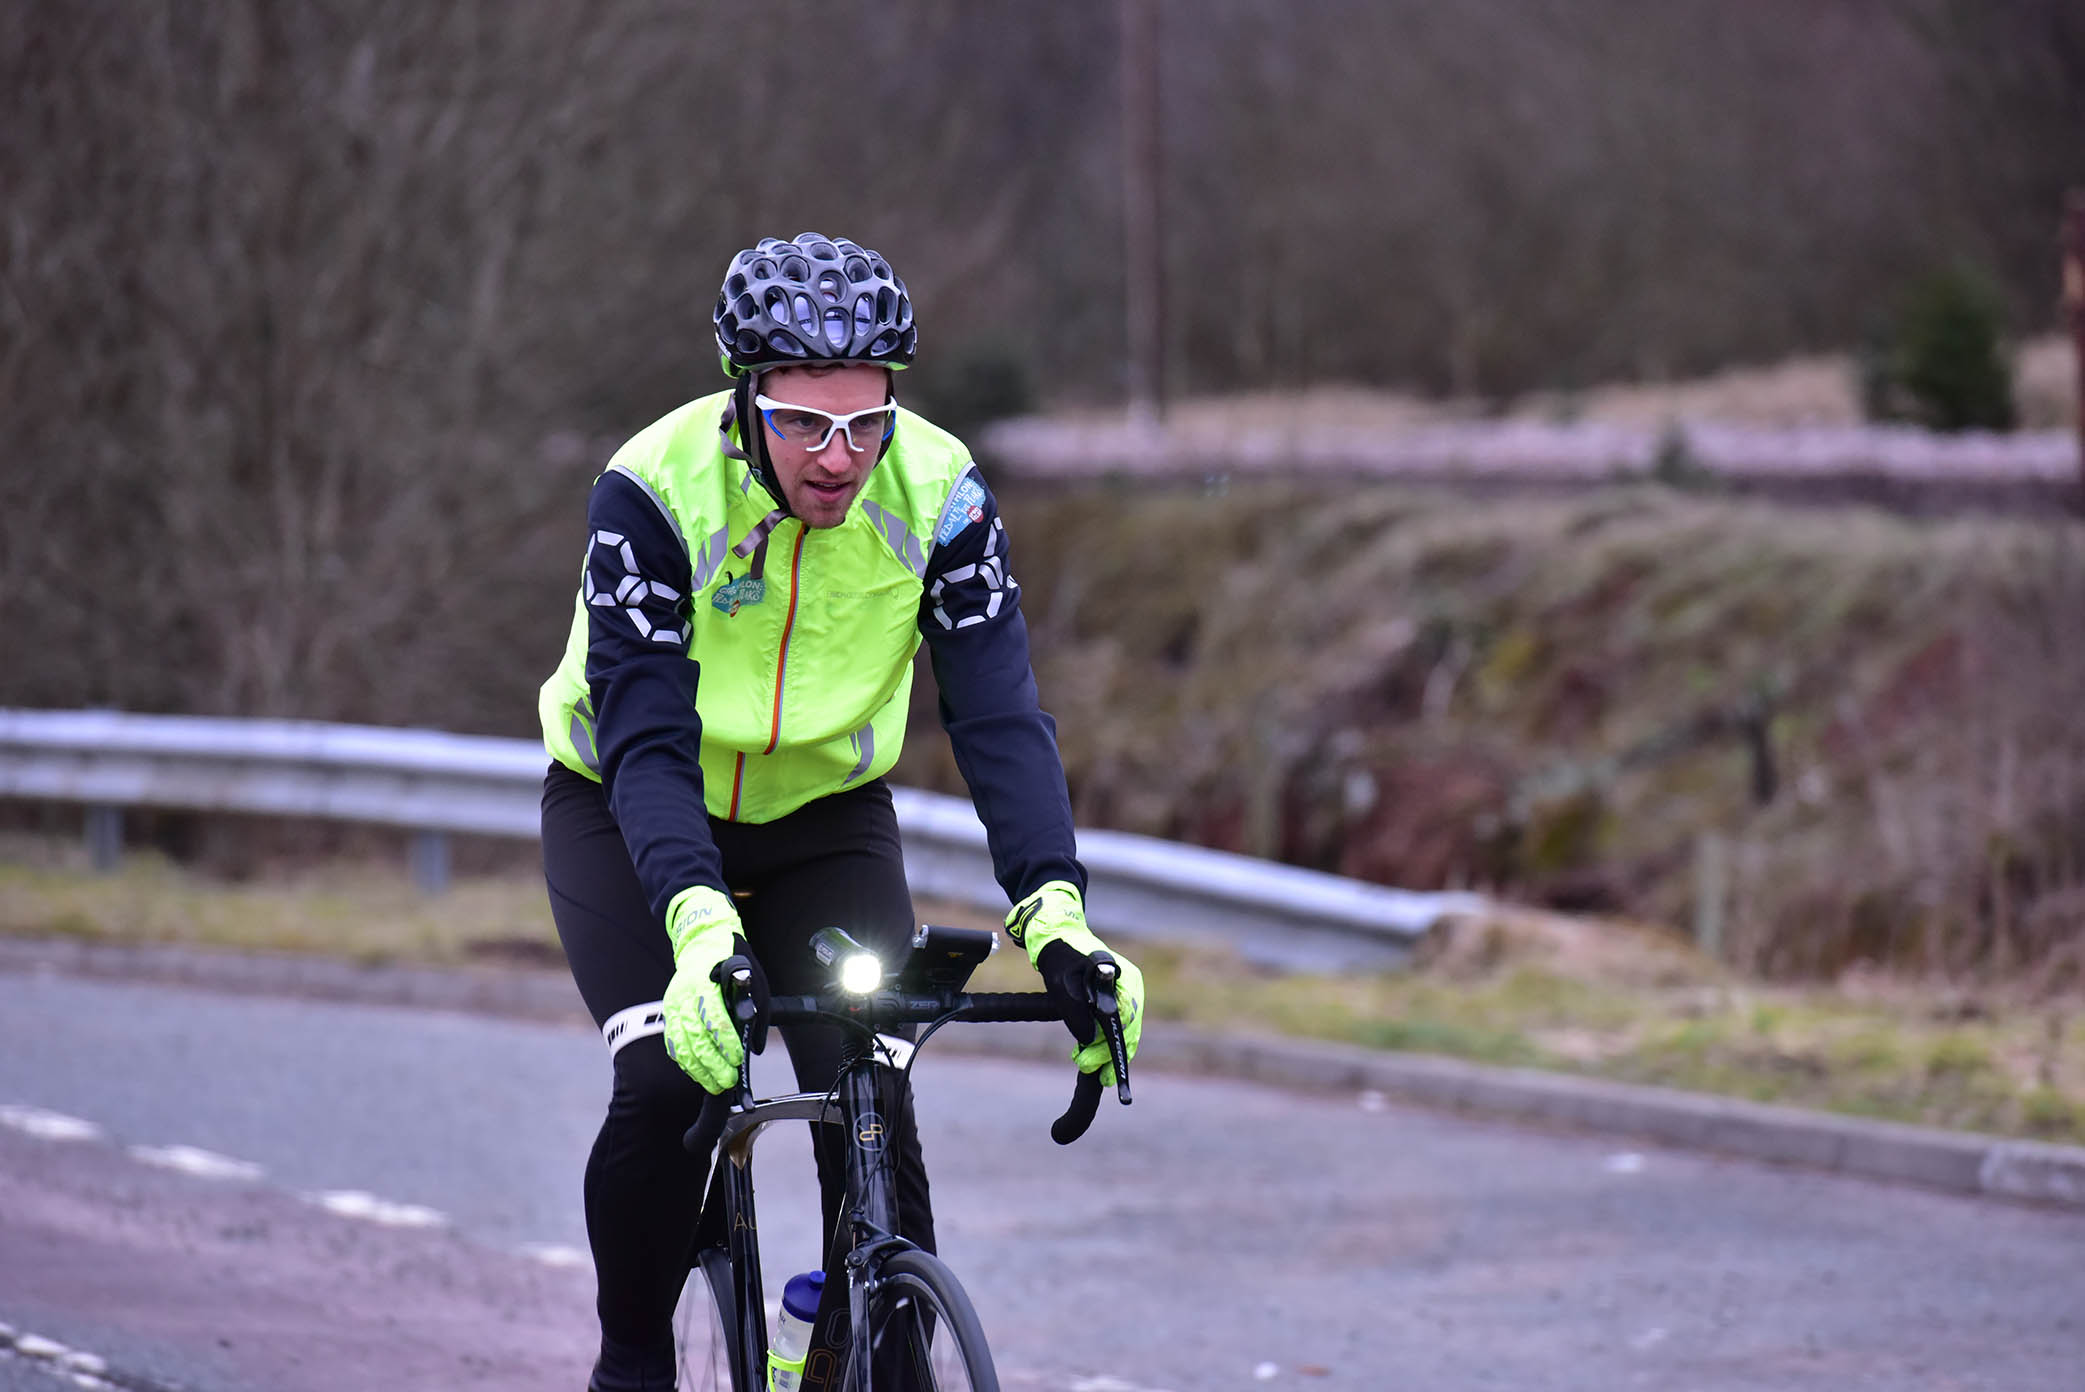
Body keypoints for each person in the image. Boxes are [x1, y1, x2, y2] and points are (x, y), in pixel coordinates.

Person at [536, 232, 1146, 1392]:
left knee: (874, 1086)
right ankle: (630, 1363)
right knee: (675, 1073)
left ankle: (869, 1351)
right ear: (744, 398)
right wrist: (699, 923)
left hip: (823, 817)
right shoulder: (651, 491)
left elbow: (1002, 720)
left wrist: (1055, 913)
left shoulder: (943, 496)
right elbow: (650, 742)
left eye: (866, 422)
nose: (840, 457)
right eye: (806, 424)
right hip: (631, 813)